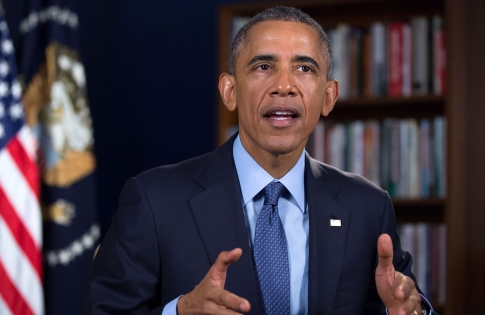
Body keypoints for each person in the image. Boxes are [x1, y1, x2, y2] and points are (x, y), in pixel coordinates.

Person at [82, 6, 436, 315]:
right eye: (264, 66)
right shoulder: (154, 201)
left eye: (304, 69)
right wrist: (179, 312)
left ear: (328, 98)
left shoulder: (369, 208)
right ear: (230, 92)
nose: (284, 86)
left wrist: (406, 313)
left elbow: (405, 304)